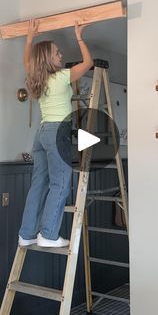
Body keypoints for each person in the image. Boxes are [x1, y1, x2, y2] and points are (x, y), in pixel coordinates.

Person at [18, 18, 93, 248]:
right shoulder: (61, 77)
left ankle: (26, 234)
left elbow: (27, 59)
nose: (61, 55)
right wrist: (79, 35)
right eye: (57, 53)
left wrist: (30, 37)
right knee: (59, 184)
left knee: (38, 184)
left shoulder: (36, 77)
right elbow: (88, 63)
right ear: (47, 59)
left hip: (41, 134)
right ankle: (48, 234)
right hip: (57, 132)